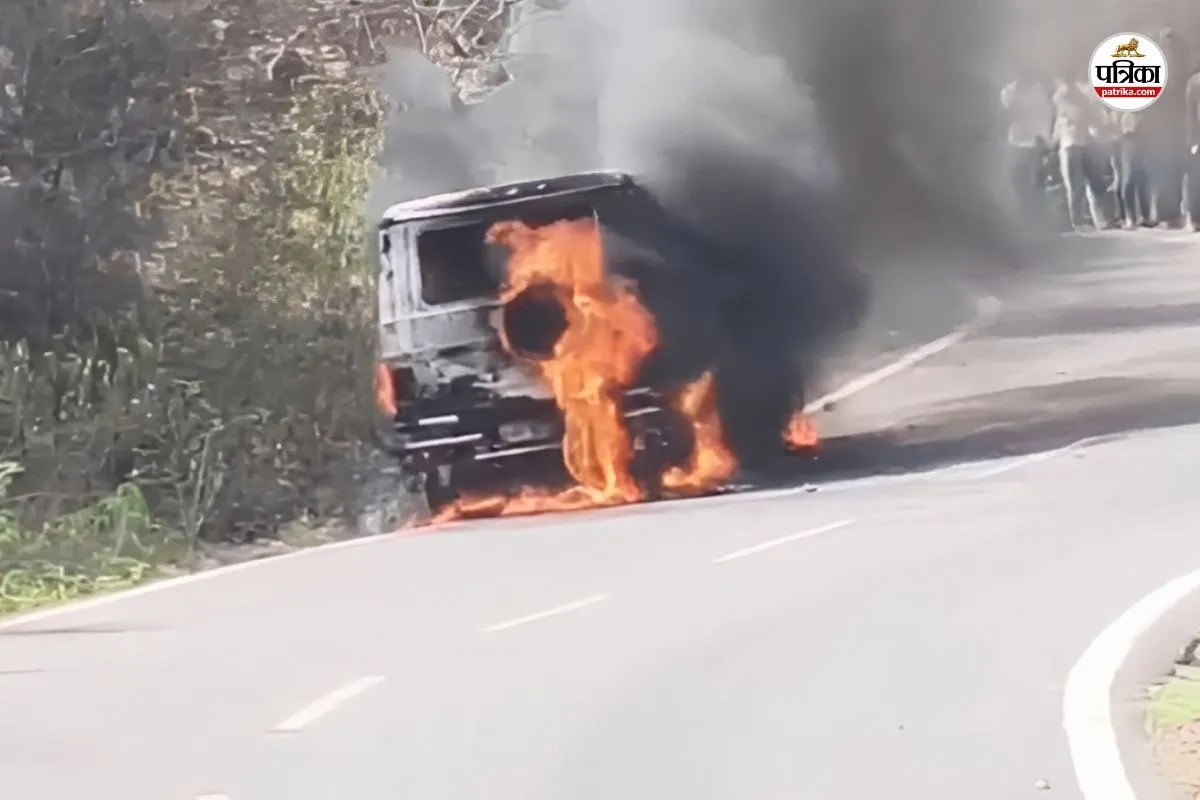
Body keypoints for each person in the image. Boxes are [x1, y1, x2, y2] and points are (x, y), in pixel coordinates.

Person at [1052, 79, 1115, 231]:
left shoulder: (1081, 94)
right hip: (1071, 143)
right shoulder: (1064, 96)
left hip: (1085, 142)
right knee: (1076, 186)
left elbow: (1093, 118)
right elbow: (1074, 115)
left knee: (1094, 183)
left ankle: (1099, 220)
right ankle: (1079, 222)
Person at [1000, 69, 1053, 220]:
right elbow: (1008, 109)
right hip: (1016, 141)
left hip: (1034, 142)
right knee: (1018, 180)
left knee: (1036, 180)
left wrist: (1044, 136)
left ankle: (1037, 215)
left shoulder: (1037, 90)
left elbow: (1045, 113)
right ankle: (1023, 214)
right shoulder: (1008, 91)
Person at [1115, 108, 1154, 228]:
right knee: (1128, 179)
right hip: (1126, 139)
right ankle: (1128, 217)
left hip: (1143, 139)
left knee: (1142, 178)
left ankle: (1144, 216)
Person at [1186, 67, 1200, 231]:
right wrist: (1193, 140)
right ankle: (1195, 218)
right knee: (1196, 179)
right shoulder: (1196, 82)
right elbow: (1190, 114)